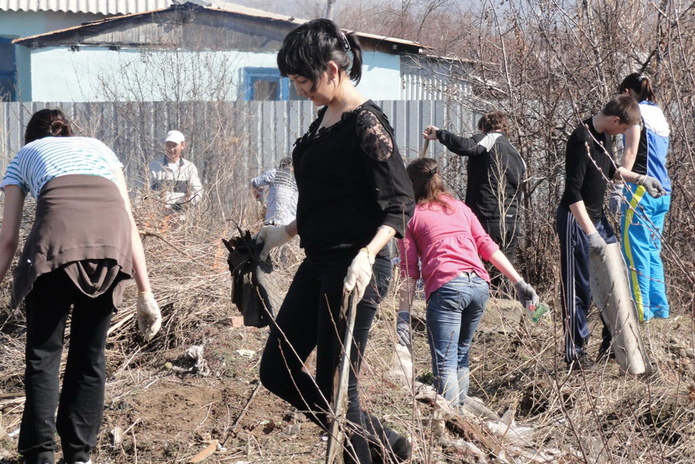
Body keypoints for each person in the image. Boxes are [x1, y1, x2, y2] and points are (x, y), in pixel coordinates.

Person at [255, 19, 415, 464]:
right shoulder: (324, 119)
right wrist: (282, 234)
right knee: (278, 370)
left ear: (330, 69)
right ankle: (386, 443)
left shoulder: (366, 122)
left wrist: (368, 255)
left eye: (303, 80)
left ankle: (367, 451)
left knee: (338, 386)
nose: (298, 89)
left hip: (355, 268)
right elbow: (328, 196)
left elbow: (401, 202)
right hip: (319, 260)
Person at [0, 109, 162, 464]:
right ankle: (79, 456)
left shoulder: (25, 155)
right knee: (90, 357)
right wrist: (145, 293)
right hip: (111, 247)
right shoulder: (100, 149)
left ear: (32, 137)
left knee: (43, 357)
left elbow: (8, 238)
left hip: (57, 247)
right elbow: (129, 220)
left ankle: (40, 455)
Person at [397, 158, 538, 409]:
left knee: (445, 363)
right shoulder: (459, 208)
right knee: (461, 356)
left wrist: (403, 315)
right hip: (479, 286)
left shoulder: (411, 216)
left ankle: (451, 423)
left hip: (448, 288)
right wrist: (518, 282)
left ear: (410, 185)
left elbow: (409, 272)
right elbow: (486, 245)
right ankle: (463, 415)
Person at [557, 95, 665, 370]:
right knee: (578, 288)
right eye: (625, 129)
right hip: (576, 220)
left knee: (618, 279)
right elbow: (572, 192)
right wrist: (589, 232)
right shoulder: (581, 139)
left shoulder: (605, 135)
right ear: (616, 120)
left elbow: (612, 171)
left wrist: (641, 178)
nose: (625, 134)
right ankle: (575, 354)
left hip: (597, 218)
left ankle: (614, 346)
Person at [422, 111, 526, 268]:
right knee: (503, 273)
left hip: (487, 218)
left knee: (481, 270)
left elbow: (467, 146)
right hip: (512, 221)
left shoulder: (490, 138)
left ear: (483, 127)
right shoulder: (515, 152)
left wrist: (440, 134)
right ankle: (505, 294)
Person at [610, 73, 671, 322]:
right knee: (652, 251)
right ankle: (660, 310)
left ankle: (640, 311)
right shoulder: (658, 113)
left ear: (626, 93)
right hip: (662, 190)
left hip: (640, 191)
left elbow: (631, 152)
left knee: (635, 251)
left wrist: (617, 185)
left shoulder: (635, 114)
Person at [149, 130, 203, 211]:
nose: (171, 149)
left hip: (182, 218)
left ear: (183, 145)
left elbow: (198, 192)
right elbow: (142, 193)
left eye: (174, 145)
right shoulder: (154, 167)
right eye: (168, 145)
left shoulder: (189, 168)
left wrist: (184, 203)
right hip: (158, 218)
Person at [250, 156, 299, 226]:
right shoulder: (298, 181)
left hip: (273, 221)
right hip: (291, 226)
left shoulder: (274, 173)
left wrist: (260, 200)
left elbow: (253, 182)